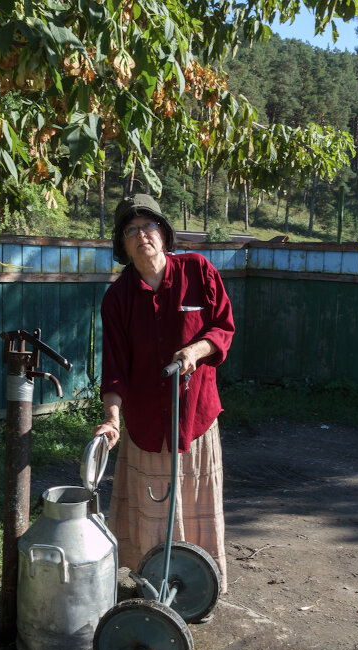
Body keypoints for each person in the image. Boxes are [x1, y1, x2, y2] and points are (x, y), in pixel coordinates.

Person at [93, 193, 236, 593]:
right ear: (122, 244)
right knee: (153, 509)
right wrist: (112, 418)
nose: (142, 236)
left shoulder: (198, 271)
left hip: (195, 418)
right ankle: (151, 583)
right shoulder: (117, 298)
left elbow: (223, 327)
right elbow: (115, 370)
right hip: (146, 427)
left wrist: (196, 349)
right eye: (131, 230)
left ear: (164, 232)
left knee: (195, 506)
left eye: (149, 226)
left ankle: (199, 589)